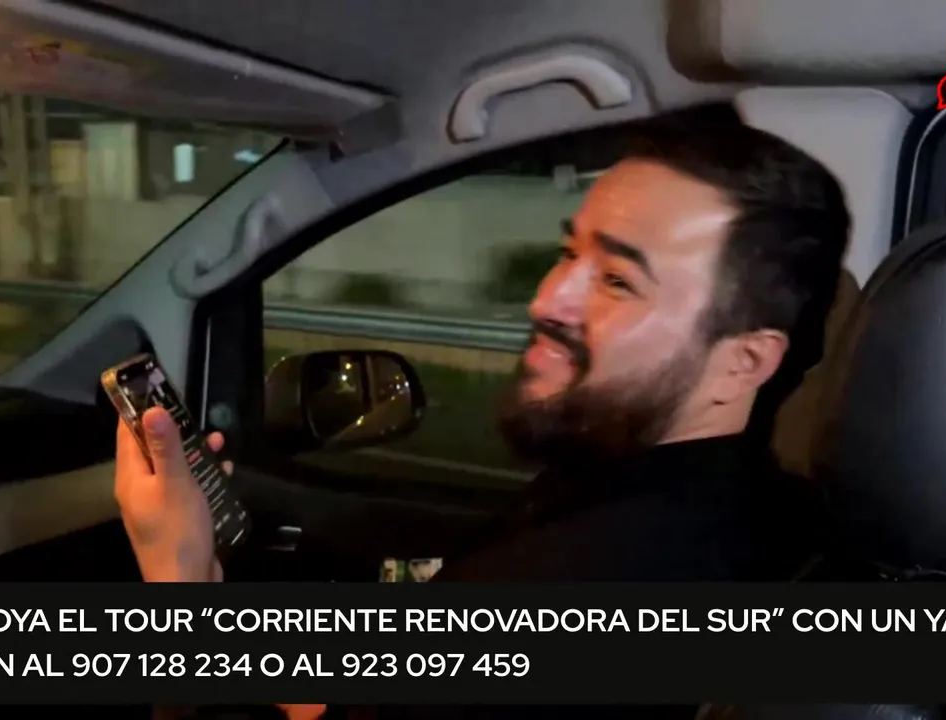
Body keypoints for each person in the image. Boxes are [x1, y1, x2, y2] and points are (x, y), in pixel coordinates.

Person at [114, 108, 851, 718]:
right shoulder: (743, 509)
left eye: (618, 281)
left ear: (743, 362)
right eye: (570, 253)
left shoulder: (585, 583)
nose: (547, 300)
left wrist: (178, 586)